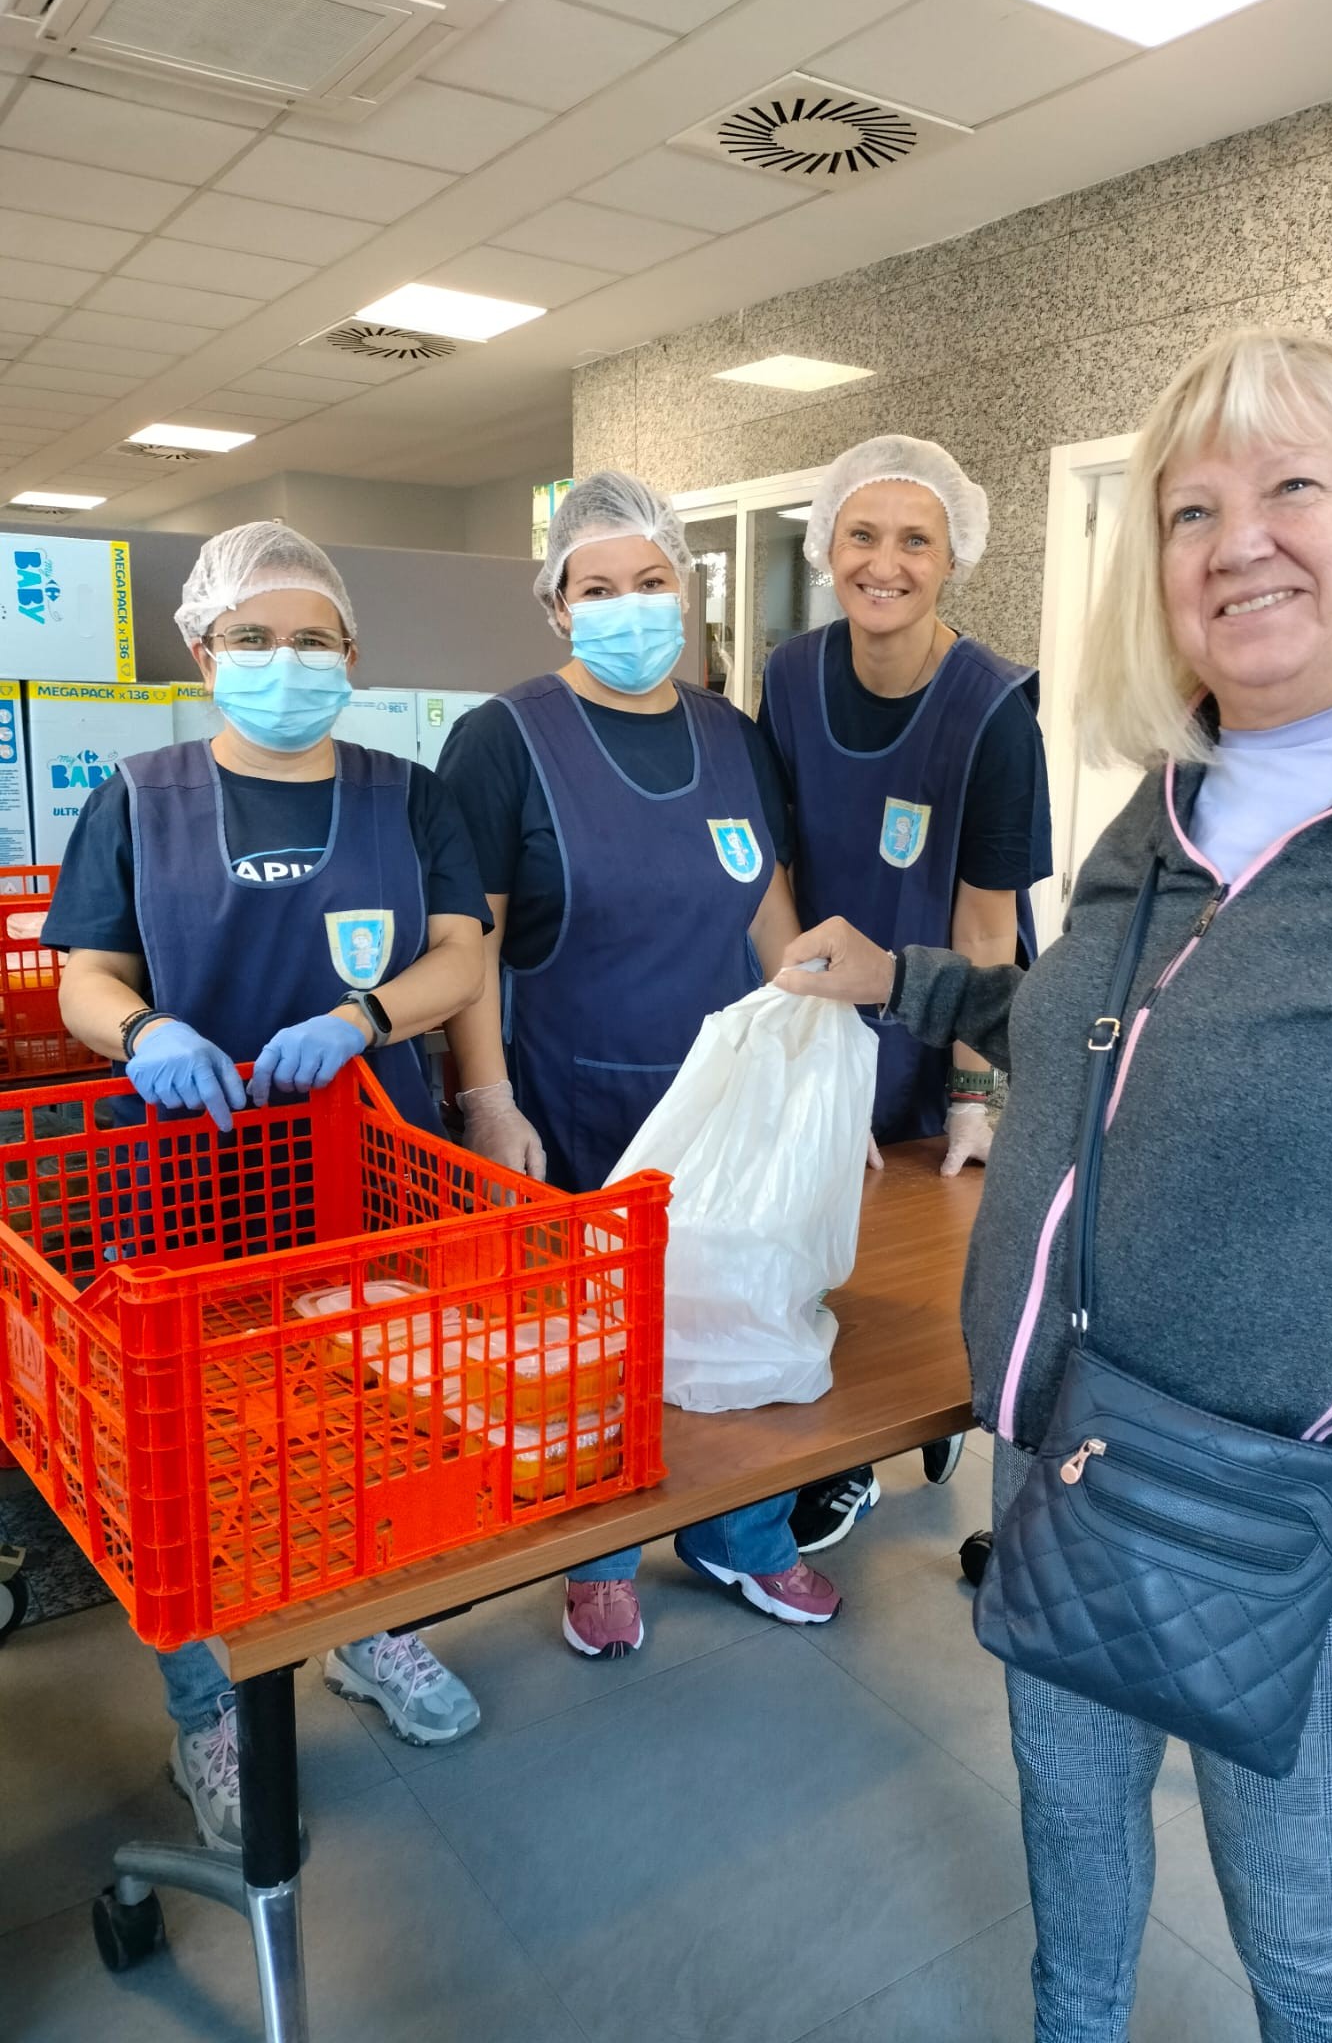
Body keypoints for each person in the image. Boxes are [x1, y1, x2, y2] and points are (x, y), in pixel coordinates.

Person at [778, 329, 1332, 2042]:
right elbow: (1084, 1027)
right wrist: (901, 981)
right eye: (1190, 509)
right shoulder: (1168, 804)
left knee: (1311, 1948)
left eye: (1292, 485)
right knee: (1071, 1836)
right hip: (1063, 1446)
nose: (1234, 540)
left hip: (1285, 1512)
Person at [44, 522, 491, 1852]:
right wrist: (144, 1031)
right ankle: (208, 1709)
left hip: (368, 1170)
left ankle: (371, 1628)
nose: (284, 660)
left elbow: (462, 955)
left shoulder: (409, 795)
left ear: (351, 652)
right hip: (185, 1179)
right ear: (204, 651)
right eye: (253, 637)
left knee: (376, 1411)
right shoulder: (138, 797)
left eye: (311, 639)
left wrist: (364, 1016)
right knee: (191, 1457)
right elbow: (84, 976)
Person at [439, 471, 843, 1660]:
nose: (629, 605)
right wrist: (487, 1096)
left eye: (651, 580)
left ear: (686, 588)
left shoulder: (731, 737)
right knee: (593, 1354)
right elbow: (471, 942)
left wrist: (808, 1074)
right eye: (598, 586)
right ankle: (602, 1558)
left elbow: (769, 913)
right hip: (575, 1103)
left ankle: (743, 1531)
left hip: (721, 1105)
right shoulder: (502, 740)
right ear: (557, 604)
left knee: (740, 1322)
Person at [761, 436, 1051, 1551]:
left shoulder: (993, 711)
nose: (885, 564)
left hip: (939, 1022)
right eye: (862, 535)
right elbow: (781, 868)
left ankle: (917, 1411)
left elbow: (985, 929)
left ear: (953, 557)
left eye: (916, 541)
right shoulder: (791, 677)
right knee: (810, 1243)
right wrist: (805, 1041)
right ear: (826, 546)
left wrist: (975, 1097)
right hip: (823, 1007)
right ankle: (829, 1453)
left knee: (912, 1254)